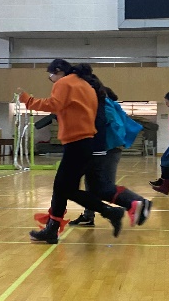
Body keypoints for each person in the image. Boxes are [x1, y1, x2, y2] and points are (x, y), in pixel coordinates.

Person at [18, 59, 126, 244]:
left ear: (58, 71)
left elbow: (53, 104)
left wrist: (28, 100)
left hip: (77, 143)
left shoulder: (65, 83)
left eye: (51, 75)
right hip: (86, 142)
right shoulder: (84, 84)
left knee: (63, 188)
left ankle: (110, 212)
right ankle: (52, 229)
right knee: (64, 189)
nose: (51, 79)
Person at [70, 85, 152, 228]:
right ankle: (88, 216)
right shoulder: (107, 104)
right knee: (92, 185)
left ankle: (138, 202)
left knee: (104, 188)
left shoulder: (105, 105)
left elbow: (106, 121)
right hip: (101, 149)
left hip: (108, 150)